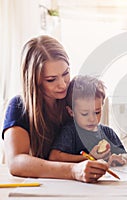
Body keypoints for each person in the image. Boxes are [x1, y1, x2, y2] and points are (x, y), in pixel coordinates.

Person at [2, 35, 108, 183]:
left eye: (65, 74)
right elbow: (16, 162)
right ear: (34, 80)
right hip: (42, 186)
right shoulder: (19, 106)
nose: (63, 85)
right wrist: (72, 170)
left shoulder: (74, 99)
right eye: (51, 79)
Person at [49, 75, 127, 167]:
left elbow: (125, 154)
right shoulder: (70, 131)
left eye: (97, 112)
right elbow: (54, 157)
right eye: (84, 114)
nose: (92, 119)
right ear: (71, 112)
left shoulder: (107, 132)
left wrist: (121, 158)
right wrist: (89, 158)